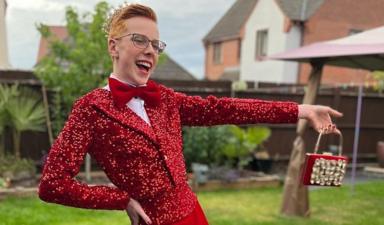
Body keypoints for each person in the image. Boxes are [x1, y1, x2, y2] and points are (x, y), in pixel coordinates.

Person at [38, 3, 342, 225]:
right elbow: (52, 184)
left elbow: (226, 108)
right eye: (139, 40)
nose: (150, 51)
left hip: (194, 214)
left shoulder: (164, 100)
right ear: (113, 46)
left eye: (156, 44)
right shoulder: (90, 110)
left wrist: (301, 109)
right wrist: (121, 199)